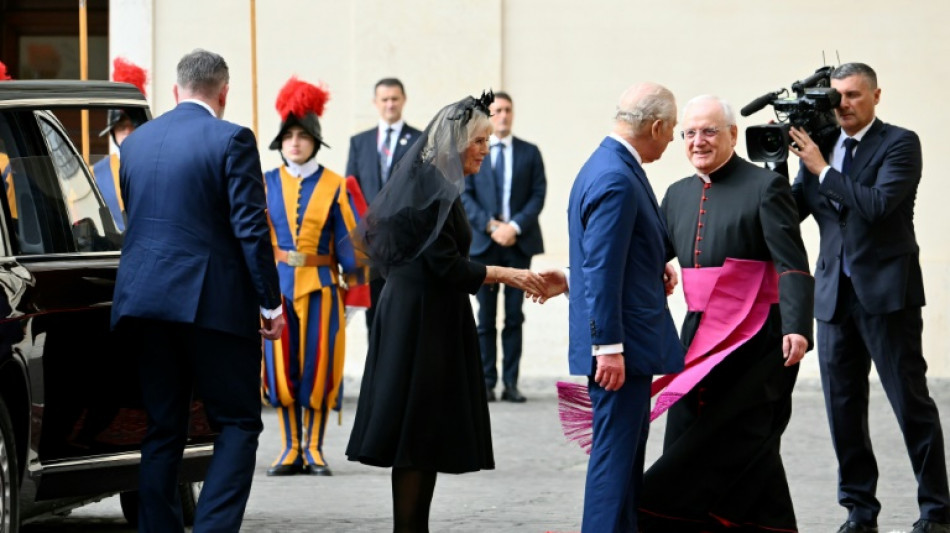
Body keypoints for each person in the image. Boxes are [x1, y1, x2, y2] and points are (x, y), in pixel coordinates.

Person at [346, 91, 544, 533]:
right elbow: (444, 264)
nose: (485, 151)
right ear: (457, 142)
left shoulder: (436, 179)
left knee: (426, 434)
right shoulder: (430, 183)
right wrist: (507, 274)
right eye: (479, 142)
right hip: (418, 322)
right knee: (416, 436)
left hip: (428, 316)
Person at [111, 49, 284, 533]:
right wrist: (270, 303)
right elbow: (252, 229)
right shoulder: (232, 138)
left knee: (162, 428)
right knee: (237, 423)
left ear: (175, 90)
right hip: (214, 306)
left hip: (144, 303)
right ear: (224, 92)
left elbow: (137, 220)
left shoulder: (136, 143)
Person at [636, 95, 813, 532]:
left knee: (740, 443)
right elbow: (656, 253)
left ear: (733, 135)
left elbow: (792, 263)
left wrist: (797, 327)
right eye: (690, 133)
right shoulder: (677, 194)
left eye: (710, 131)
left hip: (755, 343)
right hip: (695, 338)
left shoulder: (765, 187)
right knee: (687, 436)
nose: (699, 141)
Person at [789, 62, 950, 533]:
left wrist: (821, 168)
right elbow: (795, 208)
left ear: (877, 96)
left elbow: (877, 206)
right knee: (843, 408)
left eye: (855, 95)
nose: (844, 105)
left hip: (887, 295)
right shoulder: (821, 146)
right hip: (834, 297)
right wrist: (782, 160)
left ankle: (937, 512)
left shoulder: (900, 142)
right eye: (837, 96)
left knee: (910, 403)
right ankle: (859, 512)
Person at [565, 82, 684, 533]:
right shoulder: (616, 176)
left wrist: (655, 265)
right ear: (655, 126)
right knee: (615, 462)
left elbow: (619, 251)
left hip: (624, 346)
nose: (672, 140)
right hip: (621, 350)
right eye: (671, 130)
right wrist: (608, 346)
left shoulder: (607, 164)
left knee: (627, 455)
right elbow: (600, 268)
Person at [261, 76, 367, 477]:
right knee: (281, 369)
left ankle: (315, 448)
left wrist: (354, 299)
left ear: (314, 141)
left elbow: (351, 246)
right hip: (278, 290)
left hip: (323, 289)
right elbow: (256, 242)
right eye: (288, 136)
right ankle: (290, 447)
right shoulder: (266, 183)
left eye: (302, 136)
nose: (294, 142)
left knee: (319, 369)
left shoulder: (337, 185)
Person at [461, 91, 546, 403]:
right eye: (496, 110)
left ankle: (511, 383)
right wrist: (490, 225)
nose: (503, 116)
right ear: (488, 115)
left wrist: (514, 227)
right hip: (484, 244)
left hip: (518, 244)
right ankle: (485, 381)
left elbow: (538, 194)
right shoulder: (474, 150)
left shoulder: (529, 152)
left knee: (513, 316)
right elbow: (465, 193)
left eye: (508, 110)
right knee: (485, 318)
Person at [345, 78, 422, 337]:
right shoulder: (360, 142)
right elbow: (351, 188)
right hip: (372, 243)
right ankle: (376, 372)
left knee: (405, 312)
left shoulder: (419, 140)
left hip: (405, 243)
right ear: (375, 103)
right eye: (385, 99)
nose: (390, 104)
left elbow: (422, 189)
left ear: (404, 100)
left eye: (395, 99)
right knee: (374, 314)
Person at [92, 57, 148, 231]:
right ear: (113, 131)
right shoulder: (96, 174)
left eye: (133, 126)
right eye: (122, 127)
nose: (128, 133)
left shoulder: (159, 166)